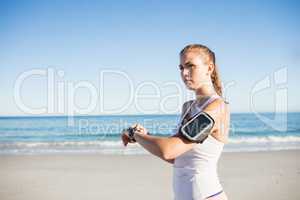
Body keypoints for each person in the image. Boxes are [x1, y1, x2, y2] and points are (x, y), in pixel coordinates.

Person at [121, 44, 230, 200]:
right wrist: (146, 136)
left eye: (190, 66)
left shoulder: (217, 108)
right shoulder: (188, 107)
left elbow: (168, 150)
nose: (184, 73)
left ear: (209, 68)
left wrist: (134, 134)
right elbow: (177, 157)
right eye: (181, 68)